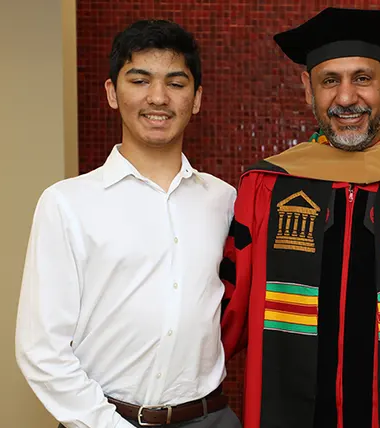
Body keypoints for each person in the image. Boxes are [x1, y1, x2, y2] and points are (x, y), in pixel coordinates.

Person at [219, 7, 380, 428]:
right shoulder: (265, 187)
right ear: (307, 88)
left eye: (362, 78)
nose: (346, 98)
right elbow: (228, 310)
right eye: (329, 81)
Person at [15, 19, 240, 428]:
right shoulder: (67, 203)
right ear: (112, 93)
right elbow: (42, 350)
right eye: (139, 80)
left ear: (198, 97)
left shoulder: (223, 201)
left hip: (211, 417)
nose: (158, 98)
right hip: (103, 420)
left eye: (176, 82)